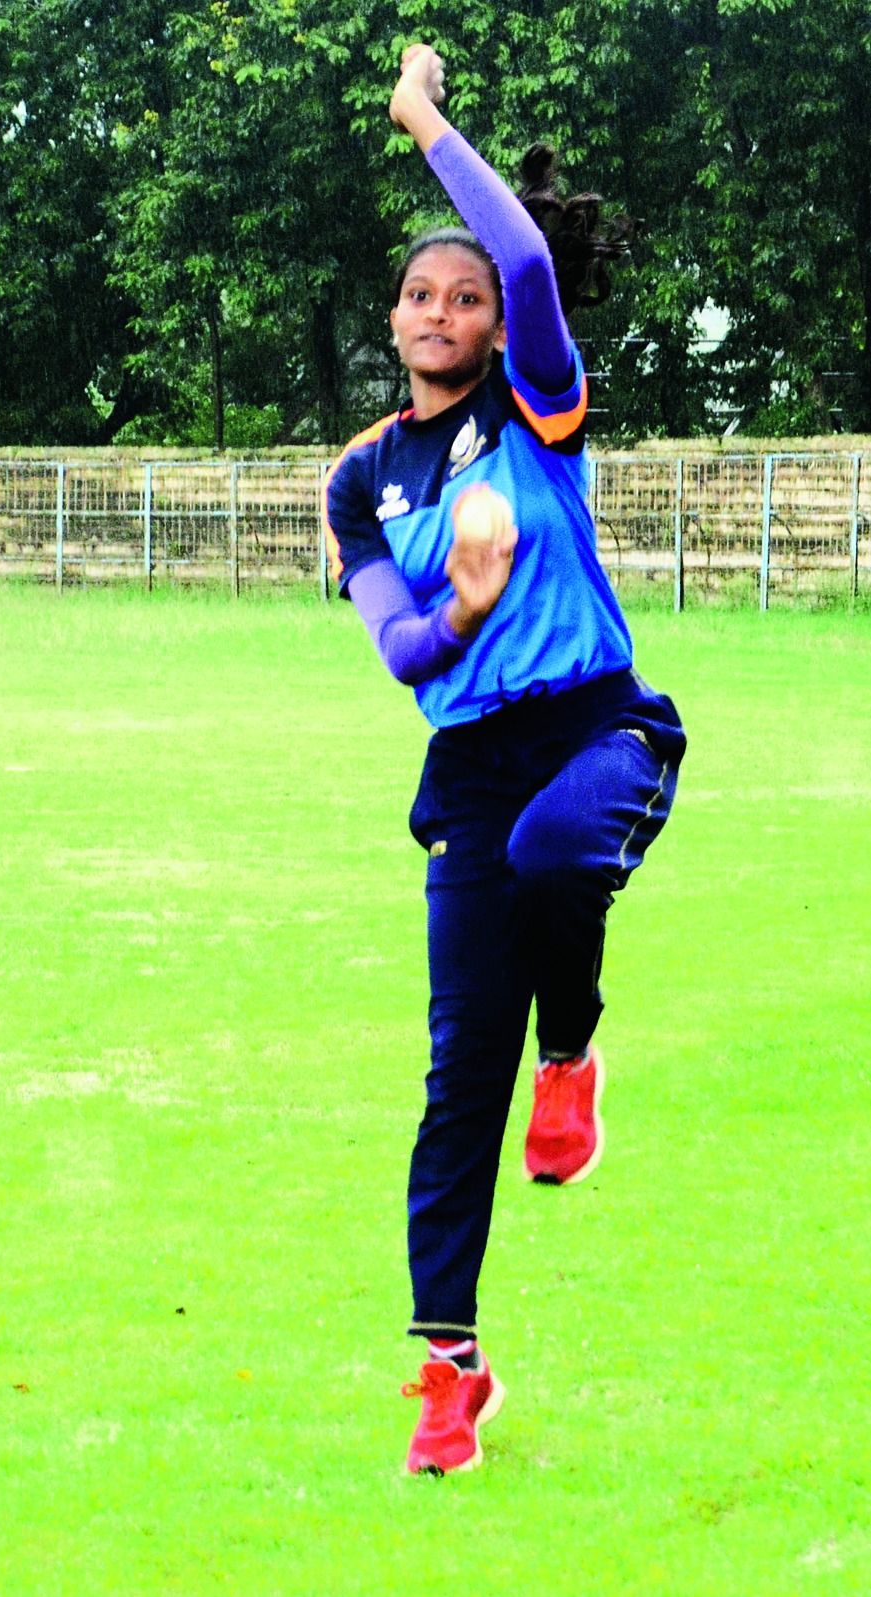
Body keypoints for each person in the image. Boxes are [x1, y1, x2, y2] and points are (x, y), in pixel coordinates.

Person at [323, 44, 686, 1476]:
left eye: (462, 297)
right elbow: (400, 647)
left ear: (493, 324)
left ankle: (575, 1051)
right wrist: (463, 609)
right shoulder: (361, 477)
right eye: (422, 293)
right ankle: (448, 1370)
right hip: (468, 766)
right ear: (394, 316)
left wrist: (423, 120)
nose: (442, 310)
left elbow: (528, 259)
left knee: (558, 850)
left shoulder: (535, 397)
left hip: (595, 724)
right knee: (457, 1074)